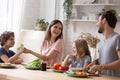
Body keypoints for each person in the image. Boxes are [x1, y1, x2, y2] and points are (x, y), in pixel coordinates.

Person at [88, 10, 120, 76]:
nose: (96, 24)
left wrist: (102, 67)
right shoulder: (100, 43)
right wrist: (95, 62)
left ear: (104, 21)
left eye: (98, 21)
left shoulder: (117, 38)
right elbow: (105, 59)